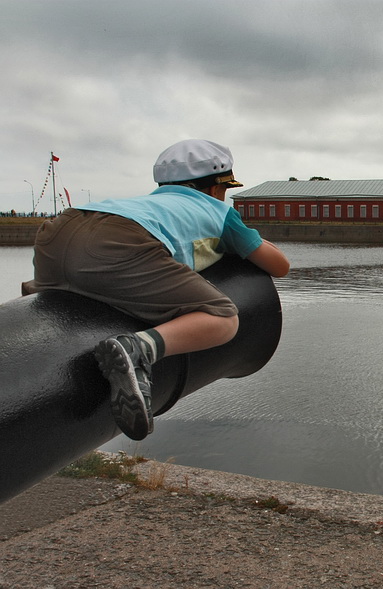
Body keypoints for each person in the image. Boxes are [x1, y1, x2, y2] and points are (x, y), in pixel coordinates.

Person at [22, 139, 290, 441]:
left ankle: (37, 300)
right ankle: (139, 349)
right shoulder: (218, 211)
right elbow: (279, 265)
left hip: (60, 230)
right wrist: (249, 241)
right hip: (121, 242)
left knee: (66, 288)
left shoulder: (147, 204)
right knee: (223, 318)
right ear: (218, 188)